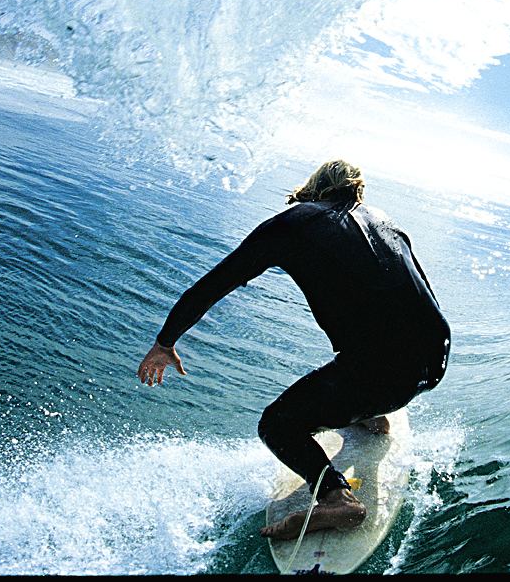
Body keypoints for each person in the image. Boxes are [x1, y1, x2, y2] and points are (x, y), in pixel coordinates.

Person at [137, 160, 451, 540]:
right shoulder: (386, 222)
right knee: (361, 367)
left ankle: (336, 500)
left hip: (379, 374)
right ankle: (372, 410)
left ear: (315, 189)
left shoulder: (293, 224)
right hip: (434, 363)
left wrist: (164, 342)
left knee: (278, 424)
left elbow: (214, 283)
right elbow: (422, 300)